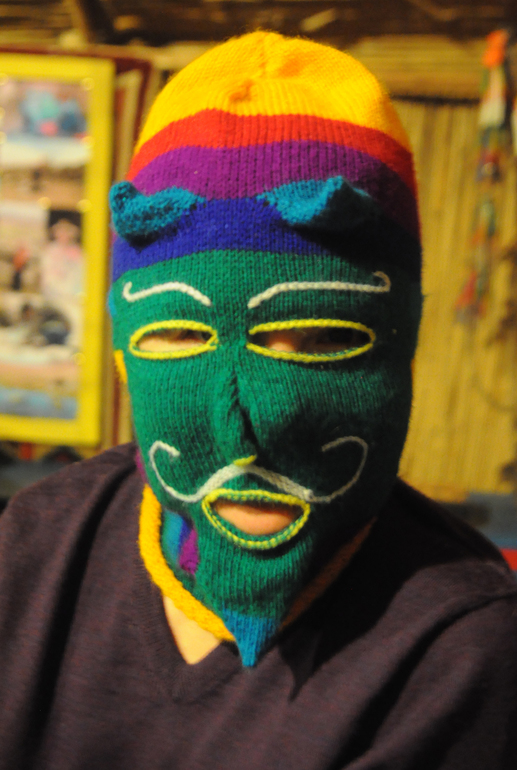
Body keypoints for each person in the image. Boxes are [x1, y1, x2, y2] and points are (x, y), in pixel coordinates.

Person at [0, 31, 516, 770]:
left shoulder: (454, 651)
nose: (244, 425)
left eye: (321, 339)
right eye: (180, 336)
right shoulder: (35, 549)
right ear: (122, 355)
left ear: (400, 353)